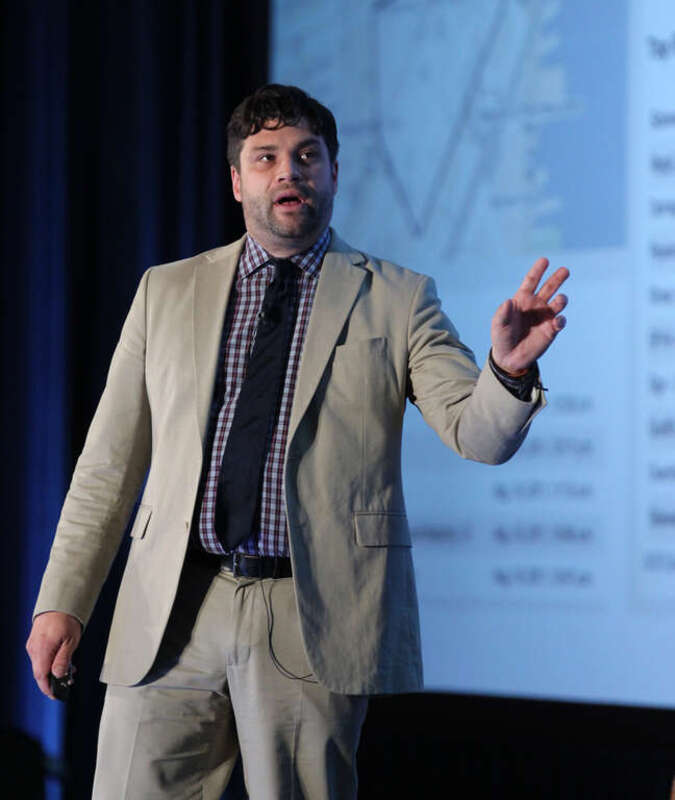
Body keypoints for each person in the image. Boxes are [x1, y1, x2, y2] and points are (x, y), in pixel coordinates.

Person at [26, 84, 569, 799]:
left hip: (310, 615)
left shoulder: (398, 297)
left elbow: (476, 435)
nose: (289, 171)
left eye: (307, 156)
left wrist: (506, 369)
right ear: (236, 180)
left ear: (333, 174)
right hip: (171, 609)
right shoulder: (166, 291)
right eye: (266, 157)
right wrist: (61, 599)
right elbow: (108, 463)